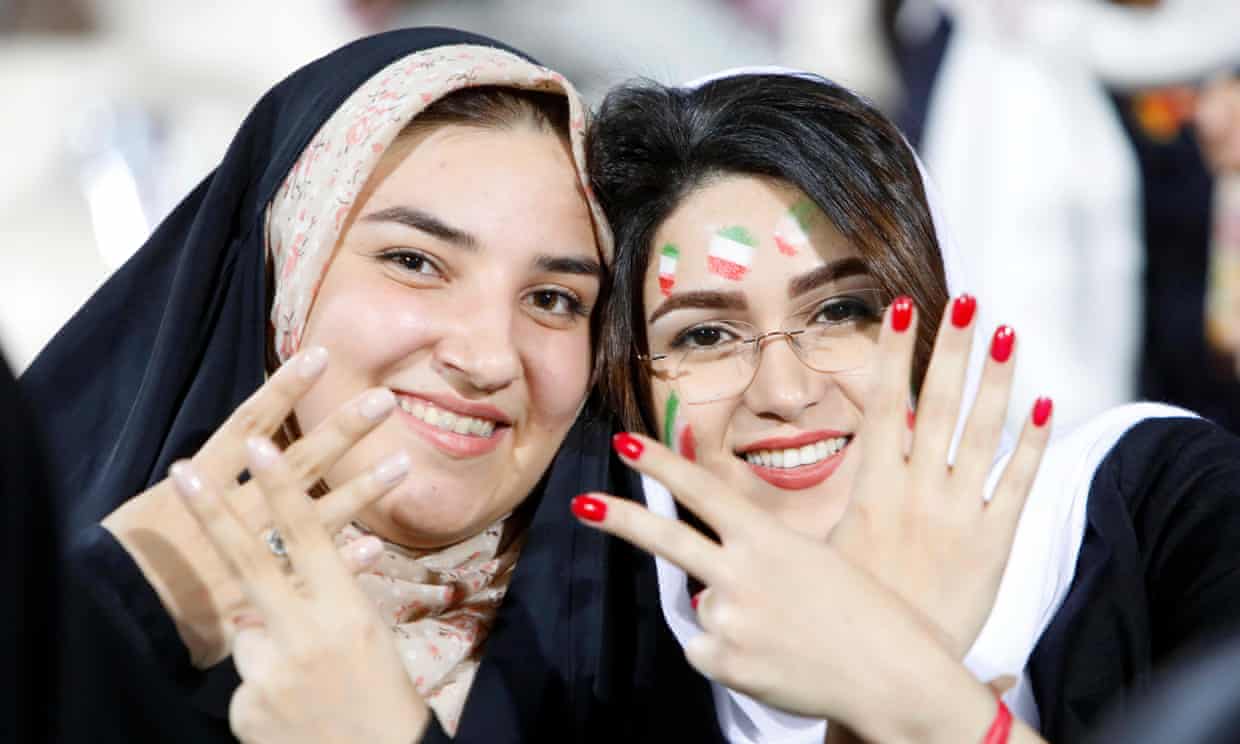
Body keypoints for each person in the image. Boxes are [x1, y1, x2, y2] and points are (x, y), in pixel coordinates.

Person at [16, 28, 719, 743]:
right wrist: (117, 615)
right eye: (414, 261)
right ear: (282, 275)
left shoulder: (692, 668)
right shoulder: (50, 622)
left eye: (553, 299)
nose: (488, 358)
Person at [578, 69, 1240, 743]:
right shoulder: (591, 662)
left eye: (841, 310)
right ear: (626, 383)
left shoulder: (1163, 508)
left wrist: (908, 687)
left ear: (932, 305)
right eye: (706, 335)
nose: (785, 392)